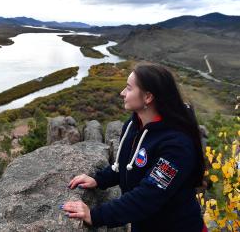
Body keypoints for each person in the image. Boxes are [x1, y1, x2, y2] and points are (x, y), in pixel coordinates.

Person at [60, 62, 208, 232]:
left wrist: (95, 216)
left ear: (148, 97)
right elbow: (127, 163)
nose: (122, 93)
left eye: (129, 88)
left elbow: (148, 197)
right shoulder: (134, 124)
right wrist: (99, 179)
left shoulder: (177, 146)